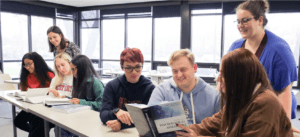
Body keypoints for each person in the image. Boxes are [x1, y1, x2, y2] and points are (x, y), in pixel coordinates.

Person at [175, 48, 293, 137]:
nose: (217, 79)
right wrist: (182, 130)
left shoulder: (265, 103)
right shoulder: (243, 97)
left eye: (223, 74)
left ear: (238, 76)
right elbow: (213, 123)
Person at [228, 0, 298, 125]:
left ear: (260, 20)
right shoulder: (236, 47)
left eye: (245, 20)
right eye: (238, 21)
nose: (240, 25)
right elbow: (225, 77)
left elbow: (284, 91)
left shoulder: (279, 50)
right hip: (246, 109)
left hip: (272, 110)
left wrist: (283, 126)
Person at [148, 49, 220, 136]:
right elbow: (149, 124)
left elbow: (221, 132)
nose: (179, 75)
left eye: (183, 70)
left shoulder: (214, 96)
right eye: (175, 71)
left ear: (194, 68)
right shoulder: (161, 91)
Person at [100, 47, 155, 131]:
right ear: (122, 67)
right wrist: (116, 111)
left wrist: (121, 125)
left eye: (137, 67)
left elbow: (150, 118)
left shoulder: (149, 88)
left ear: (142, 66)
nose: (134, 72)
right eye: (128, 68)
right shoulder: (112, 86)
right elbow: (103, 115)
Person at [60, 55, 105, 137]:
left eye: (73, 69)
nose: (72, 73)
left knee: (63, 129)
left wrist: (81, 102)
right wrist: (69, 99)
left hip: (92, 121)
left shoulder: (96, 83)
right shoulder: (79, 81)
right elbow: (80, 99)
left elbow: (102, 104)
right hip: (81, 117)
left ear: (82, 68)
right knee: (61, 127)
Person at [14, 52, 55, 137]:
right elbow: (24, 91)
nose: (27, 67)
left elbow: (52, 94)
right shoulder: (26, 76)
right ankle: (37, 133)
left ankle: (37, 133)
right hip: (31, 107)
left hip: (45, 109)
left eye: (29, 64)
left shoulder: (49, 75)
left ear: (37, 62)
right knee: (18, 121)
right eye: (25, 65)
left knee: (37, 125)